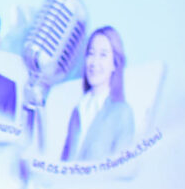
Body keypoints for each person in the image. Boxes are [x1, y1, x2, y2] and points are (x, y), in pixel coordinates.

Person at [58, 26, 136, 163]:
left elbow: (121, 169)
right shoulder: (78, 110)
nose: (94, 62)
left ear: (115, 64)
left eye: (103, 55)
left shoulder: (122, 113)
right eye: (91, 53)